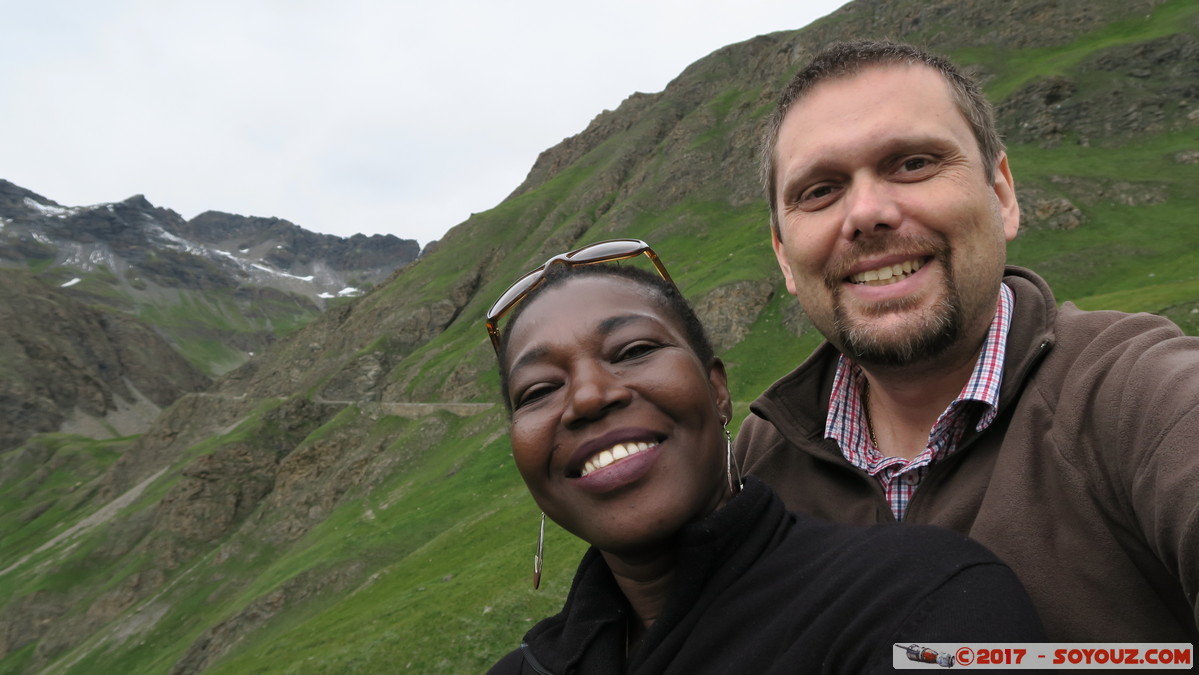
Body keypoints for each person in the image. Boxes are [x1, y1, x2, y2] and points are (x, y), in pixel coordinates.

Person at [739, 39, 1199, 642]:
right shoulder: (756, 463)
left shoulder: (1138, 397)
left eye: (913, 164)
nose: (867, 212)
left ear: (1002, 193)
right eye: (820, 191)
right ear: (784, 259)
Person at [485, 239, 1043, 675]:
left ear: (718, 391)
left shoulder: (924, 602)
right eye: (537, 391)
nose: (586, 397)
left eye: (634, 351)